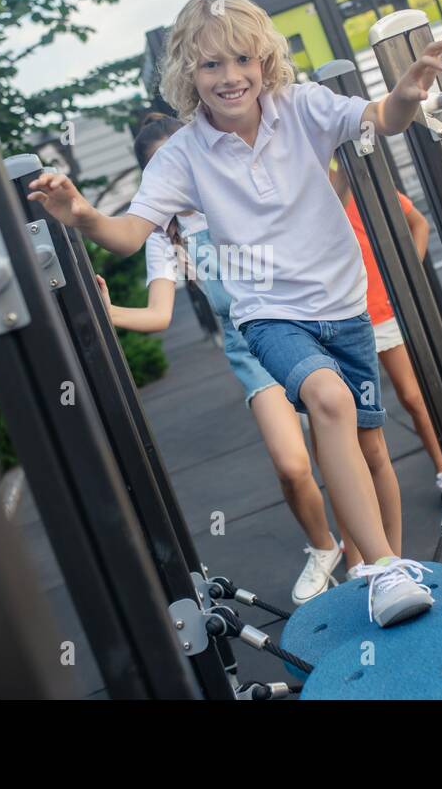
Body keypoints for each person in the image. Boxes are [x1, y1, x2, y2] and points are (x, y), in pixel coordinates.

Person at [29, 0, 442, 627]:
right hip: (269, 314)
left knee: (370, 444)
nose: (229, 77)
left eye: (240, 60)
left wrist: (408, 90)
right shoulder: (182, 155)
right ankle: (381, 569)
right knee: (331, 403)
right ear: (187, 75)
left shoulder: (303, 106)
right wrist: (81, 215)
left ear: (263, 61)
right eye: (209, 66)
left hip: (342, 305)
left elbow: (382, 118)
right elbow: (130, 233)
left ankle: (385, 564)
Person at [96, 113, 346, 605]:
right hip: (252, 348)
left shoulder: (238, 191)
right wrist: (108, 312)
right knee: (293, 465)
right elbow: (159, 314)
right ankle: (324, 547)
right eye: (163, 166)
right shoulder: (164, 235)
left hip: (301, 322)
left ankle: (361, 558)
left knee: (337, 443)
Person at [326, 157, 442, 573]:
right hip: (342, 324)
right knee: (354, 427)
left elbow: (420, 223)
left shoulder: (362, 194)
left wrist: (406, 276)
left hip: (381, 313)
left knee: (413, 396)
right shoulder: (308, 203)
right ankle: (361, 547)